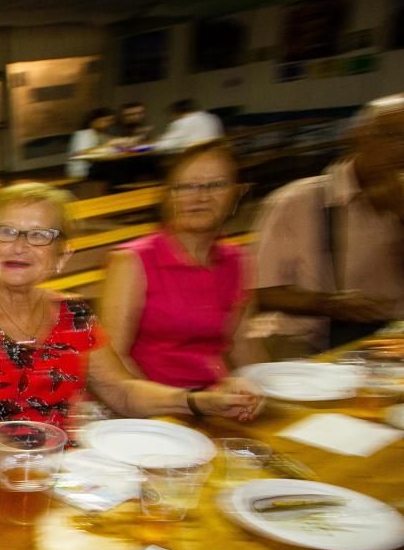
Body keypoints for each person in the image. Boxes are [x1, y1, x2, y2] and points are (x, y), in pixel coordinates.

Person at [0, 182, 263, 499]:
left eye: (39, 235)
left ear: (62, 255)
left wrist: (202, 401)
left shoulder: (73, 314)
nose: (19, 246)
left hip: (60, 472)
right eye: (7, 232)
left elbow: (122, 391)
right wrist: (68, 483)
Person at [100, 141, 264, 389]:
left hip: (214, 398)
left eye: (216, 185)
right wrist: (179, 406)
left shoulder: (238, 260)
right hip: (152, 405)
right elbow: (114, 360)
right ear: (167, 197)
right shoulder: (132, 260)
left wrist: (266, 392)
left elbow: (241, 344)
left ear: (237, 193)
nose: (200, 197)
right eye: (185, 187)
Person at [254, 94, 404, 354]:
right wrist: (330, 304)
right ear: (359, 136)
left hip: (391, 337)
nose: (401, 147)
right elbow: (264, 292)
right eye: (391, 134)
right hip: (309, 340)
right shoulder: (297, 200)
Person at [155, 99, 224, 152]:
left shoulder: (181, 123)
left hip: (192, 159)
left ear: (176, 113)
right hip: (215, 155)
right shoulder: (213, 117)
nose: (171, 118)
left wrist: (158, 141)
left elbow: (163, 146)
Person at [67, 107, 116, 179]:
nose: (109, 124)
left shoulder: (99, 134)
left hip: (92, 170)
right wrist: (105, 148)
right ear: (95, 121)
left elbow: (112, 141)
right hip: (82, 172)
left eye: (111, 121)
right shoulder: (84, 134)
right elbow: (81, 153)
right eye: (106, 120)